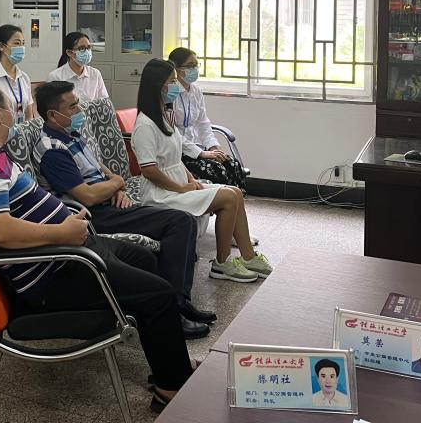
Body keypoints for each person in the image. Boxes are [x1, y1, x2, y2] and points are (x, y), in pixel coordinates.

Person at [0, 82, 197, 414]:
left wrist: (65, 226)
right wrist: (62, 232)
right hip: (55, 270)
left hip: (68, 251)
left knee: (143, 258)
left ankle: (167, 360)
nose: (16, 116)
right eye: (11, 109)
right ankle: (169, 386)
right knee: (160, 294)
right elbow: (0, 231)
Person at [33, 80, 215, 340]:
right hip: (92, 217)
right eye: (73, 107)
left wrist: (116, 187)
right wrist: (117, 182)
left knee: (180, 222)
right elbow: (87, 196)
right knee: (179, 222)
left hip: (109, 203)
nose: (79, 110)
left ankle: (178, 303)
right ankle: (173, 308)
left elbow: (100, 170)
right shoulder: (52, 150)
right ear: (53, 115)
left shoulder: (71, 135)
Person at [131, 59, 273, 283]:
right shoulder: (145, 125)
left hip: (177, 185)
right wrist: (180, 188)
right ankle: (222, 263)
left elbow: (175, 158)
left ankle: (248, 256)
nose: (176, 86)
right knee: (228, 198)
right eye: (172, 81)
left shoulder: (164, 116)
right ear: (158, 85)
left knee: (235, 192)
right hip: (160, 194)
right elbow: (149, 171)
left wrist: (191, 180)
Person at [168, 47, 248, 188]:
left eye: (196, 65)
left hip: (197, 147)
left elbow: (203, 123)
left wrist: (212, 147)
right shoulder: (170, 94)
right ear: (177, 69)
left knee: (232, 163)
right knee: (217, 169)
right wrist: (201, 153)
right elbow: (172, 133)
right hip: (179, 153)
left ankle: (237, 199)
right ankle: (224, 199)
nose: (194, 69)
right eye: (190, 65)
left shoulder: (196, 91)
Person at [0, 24, 36, 123]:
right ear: (1, 46)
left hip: (23, 131)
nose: (21, 48)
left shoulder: (24, 77)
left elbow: (29, 114)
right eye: (17, 43)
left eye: (23, 43)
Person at [46, 31, 109, 102]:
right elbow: (51, 105)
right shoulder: (56, 77)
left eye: (88, 47)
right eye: (81, 48)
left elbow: (104, 102)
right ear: (69, 52)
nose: (87, 52)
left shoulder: (95, 73)